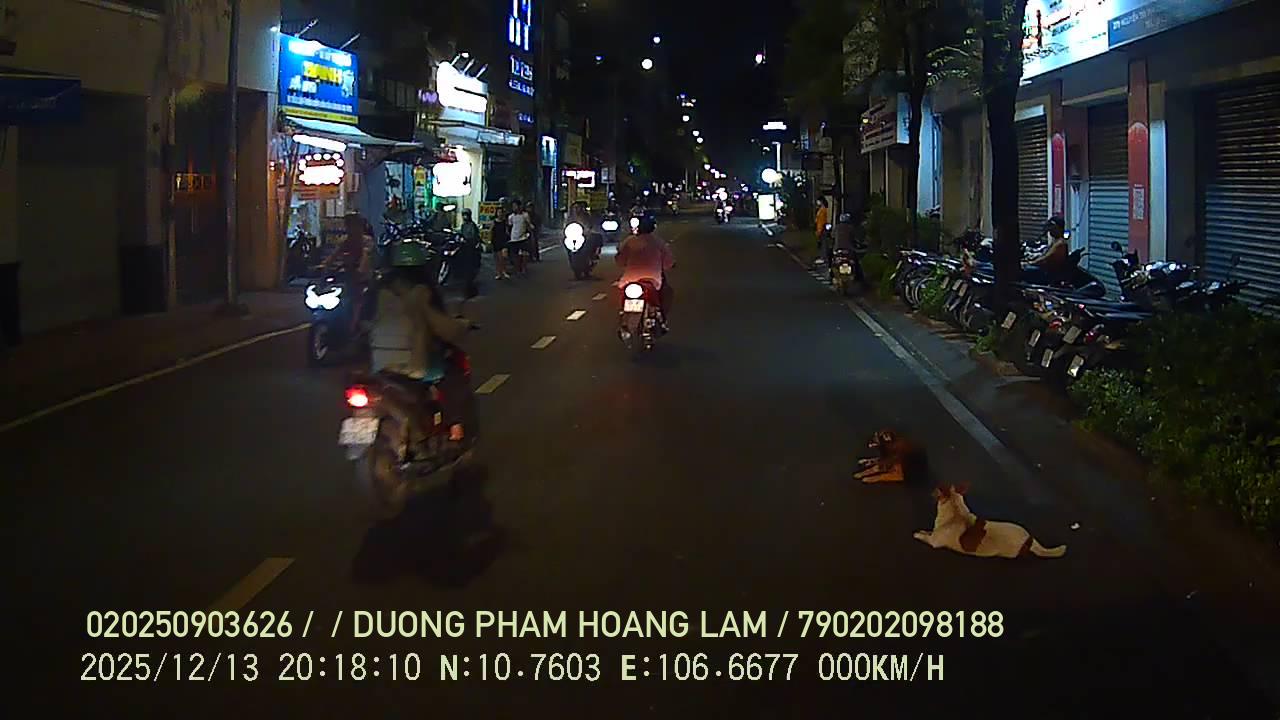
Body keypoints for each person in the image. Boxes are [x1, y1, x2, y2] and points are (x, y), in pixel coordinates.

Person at [369, 240, 475, 452]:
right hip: (412, 366)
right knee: (453, 374)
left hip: (379, 363)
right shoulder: (421, 292)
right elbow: (443, 327)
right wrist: (463, 325)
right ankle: (455, 429)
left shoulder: (379, 290)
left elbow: (362, 322)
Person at [616, 212, 675, 328]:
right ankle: (662, 319)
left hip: (629, 280)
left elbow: (620, 261)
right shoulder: (658, 242)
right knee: (667, 293)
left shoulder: (629, 241)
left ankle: (624, 319)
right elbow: (668, 262)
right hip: (653, 280)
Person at [457, 208, 483, 299]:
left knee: (471, 266)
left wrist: (474, 243)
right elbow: (461, 234)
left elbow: (475, 236)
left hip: (471, 247)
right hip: (465, 247)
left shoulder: (472, 225)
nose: (465, 217)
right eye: (463, 215)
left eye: (466, 215)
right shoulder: (463, 225)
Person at [508, 199, 532, 276]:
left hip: (523, 237)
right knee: (515, 255)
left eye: (515, 206)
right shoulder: (511, 217)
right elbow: (510, 226)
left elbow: (529, 225)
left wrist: (530, 233)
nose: (514, 208)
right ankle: (518, 269)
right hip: (514, 238)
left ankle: (524, 268)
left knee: (525, 254)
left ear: (519, 206)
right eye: (513, 206)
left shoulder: (525, 215)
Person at [491, 198, 512, 280]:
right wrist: (490, 240)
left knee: (503, 257)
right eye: (498, 212)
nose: (500, 214)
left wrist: (509, 238)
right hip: (496, 240)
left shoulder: (505, 221)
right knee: (497, 258)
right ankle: (499, 273)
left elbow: (507, 230)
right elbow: (491, 231)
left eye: (501, 212)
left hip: (503, 240)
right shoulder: (494, 222)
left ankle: (504, 271)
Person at [813, 198, 831, 266]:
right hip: (820, 229)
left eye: (818, 201)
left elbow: (822, 221)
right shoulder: (821, 209)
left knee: (824, 244)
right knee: (822, 244)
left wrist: (820, 230)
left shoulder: (823, 210)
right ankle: (823, 257)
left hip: (822, 229)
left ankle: (824, 258)